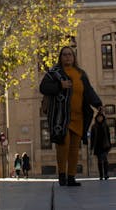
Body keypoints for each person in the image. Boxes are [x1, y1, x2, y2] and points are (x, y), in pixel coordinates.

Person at [40, 46, 102, 186]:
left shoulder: (80, 74)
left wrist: (98, 104)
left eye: (70, 54)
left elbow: (89, 91)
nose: (67, 57)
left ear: (74, 57)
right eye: (64, 55)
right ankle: (62, 175)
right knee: (63, 144)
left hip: (78, 116)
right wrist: (59, 85)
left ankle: (71, 177)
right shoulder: (54, 73)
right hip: (61, 117)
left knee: (74, 147)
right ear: (60, 57)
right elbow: (43, 87)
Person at [90, 110, 112, 180]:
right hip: (97, 146)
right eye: (98, 117)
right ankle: (101, 175)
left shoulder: (105, 126)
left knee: (105, 160)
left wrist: (110, 144)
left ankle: (106, 174)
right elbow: (92, 138)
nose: (100, 118)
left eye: (101, 117)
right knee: (99, 160)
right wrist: (91, 147)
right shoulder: (94, 127)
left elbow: (108, 136)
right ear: (96, 118)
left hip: (104, 145)